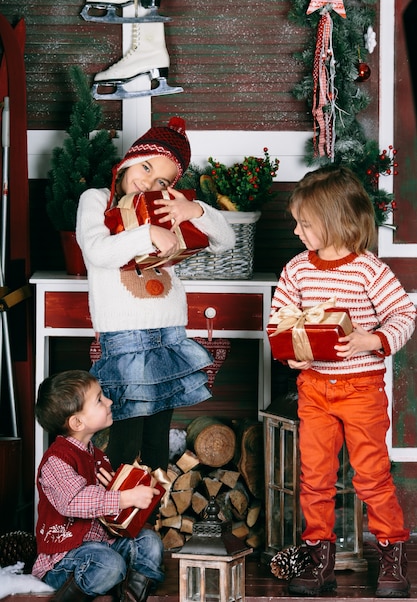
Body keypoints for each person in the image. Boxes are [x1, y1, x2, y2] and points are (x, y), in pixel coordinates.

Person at [269, 166, 416, 598]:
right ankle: (319, 560)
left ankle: (391, 556)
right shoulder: (297, 270)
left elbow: (404, 315)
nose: (296, 231)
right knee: (314, 478)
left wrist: (373, 338)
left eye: (305, 223)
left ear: (334, 221)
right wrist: (290, 350)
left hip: (361, 390)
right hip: (314, 390)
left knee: (371, 477)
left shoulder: (369, 271)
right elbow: (280, 321)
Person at [76, 116, 235, 474]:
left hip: (170, 336)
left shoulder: (166, 206)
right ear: (129, 159)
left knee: (156, 441)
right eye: (145, 167)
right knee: (127, 439)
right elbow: (97, 251)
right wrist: (146, 233)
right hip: (126, 340)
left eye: (161, 180)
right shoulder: (98, 199)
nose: (147, 182)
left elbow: (226, 242)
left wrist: (195, 210)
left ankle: (149, 520)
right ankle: (118, 521)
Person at [32, 369, 165, 602]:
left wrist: (120, 489)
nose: (109, 401)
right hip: (65, 560)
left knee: (149, 542)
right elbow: (74, 501)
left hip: (103, 546)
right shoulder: (56, 461)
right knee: (108, 563)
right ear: (77, 422)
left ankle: (131, 595)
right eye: (100, 399)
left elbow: (105, 508)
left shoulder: (97, 456)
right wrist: (125, 498)